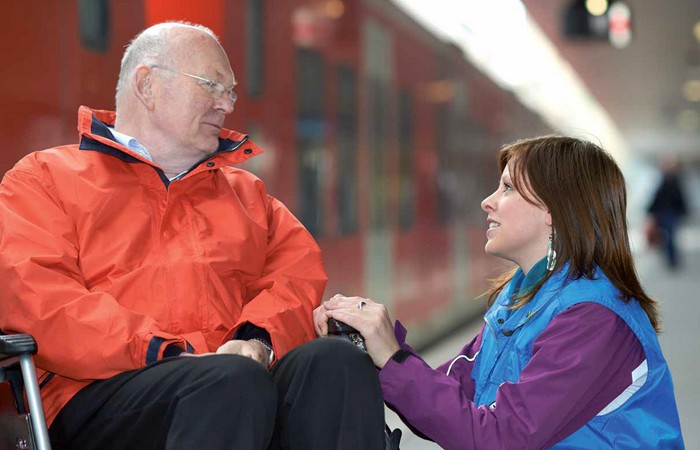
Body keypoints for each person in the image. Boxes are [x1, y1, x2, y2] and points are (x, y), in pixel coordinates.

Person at [0, 22, 385, 449]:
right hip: (100, 396)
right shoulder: (43, 180)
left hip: (234, 389)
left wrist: (255, 339)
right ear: (146, 84)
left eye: (231, 91)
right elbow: (39, 299)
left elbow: (295, 281)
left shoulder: (249, 196)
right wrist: (163, 349)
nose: (226, 105)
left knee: (336, 361)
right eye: (210, 85)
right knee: (229, 382)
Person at [315, 136, 685, 449]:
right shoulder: (521, 297)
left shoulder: (593, 319)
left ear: (554, 209)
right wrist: (373, 345)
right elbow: (451, 396)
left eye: (507, 188)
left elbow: (500, 438)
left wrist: (393, 359)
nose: (487, 201)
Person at [647, 155, 688, 269]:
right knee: (667, 237)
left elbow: (679, 198)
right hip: (664, 213)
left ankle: (672, 259)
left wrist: (683, 210)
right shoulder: (663, 180)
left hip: (671, 213)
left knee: (670, 236)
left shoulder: (674, 181)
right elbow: (657, 198)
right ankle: (671, 258)